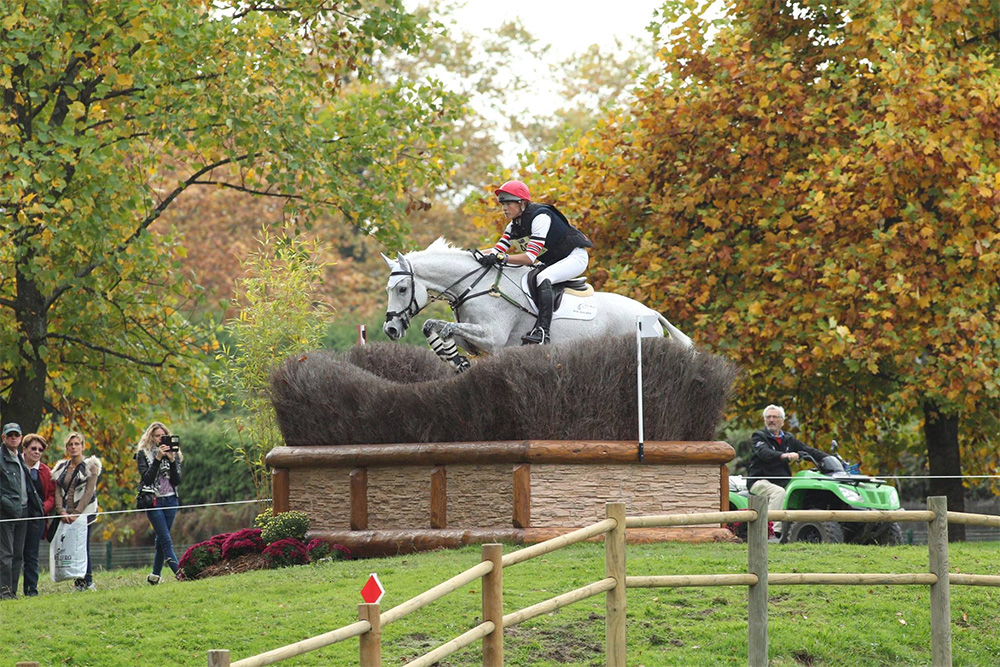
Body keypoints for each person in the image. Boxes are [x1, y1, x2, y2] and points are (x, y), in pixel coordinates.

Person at [478, 179, 593, 345]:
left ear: (522, 203)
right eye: (502, 204)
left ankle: (543, 331)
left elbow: (529, 258)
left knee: (543, 278)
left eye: (508, 204)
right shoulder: (513, 226)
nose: (504, 208)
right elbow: (497, 250)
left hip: (574, 257)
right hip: (553, 261)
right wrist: (473, 254)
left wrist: (502, 258)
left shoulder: (540, 216)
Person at [746, 405, 829, 512]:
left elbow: (808, 450)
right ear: (764, 420)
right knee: (778, 493)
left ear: (782, 421)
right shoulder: (759, 436)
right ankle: (773, 528)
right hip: (760, 481)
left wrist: (828, 458)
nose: (771, 420)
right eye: (768, 417)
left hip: (783, 482)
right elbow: (765, 453)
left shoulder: (788, 438)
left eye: (775, 417)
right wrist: (784, 455)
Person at [52, 431, 102, 592]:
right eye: (70, 445)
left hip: (84, 512)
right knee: (71, 546)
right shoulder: (61, 467)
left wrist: (77, 512)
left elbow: (89, 491)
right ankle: (78, 582)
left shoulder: (91, 465)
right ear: (66, 448)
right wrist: (61, 511)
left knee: (83, 546)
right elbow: (58, 491)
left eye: (76, 444)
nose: (73, 447)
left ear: (82, 446)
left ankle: (87, 581)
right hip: (67, 512)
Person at [135, 421, 183, 584]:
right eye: (157, 436)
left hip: (171, 499)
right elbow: (147, 478)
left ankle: (155, 576)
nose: (160, 439)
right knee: (166, 540)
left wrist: (170, 460)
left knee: (161, 540)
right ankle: (181, 574)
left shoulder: (174, 453)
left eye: (163, 436)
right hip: (153, 500)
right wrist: (157, 459)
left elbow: (177, 481)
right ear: (151, 437)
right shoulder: (143, 454)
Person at [1, 422, 42, 600]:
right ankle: (3, 591)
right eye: (9, 435)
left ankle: (12, 591)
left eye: (16, 435)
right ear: (3, 437)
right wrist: (6, 503)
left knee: (18, 554)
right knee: (5, 554)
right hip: (5, 513)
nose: (13, 438)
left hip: (23, 512)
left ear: (20, 437)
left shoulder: (20, 458)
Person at [20, 433, 55, 597]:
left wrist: (43, 508)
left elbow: (52, 495)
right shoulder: (15, 466)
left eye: (40, 450)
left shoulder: (45, 471)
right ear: (25, 449)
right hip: (16, 516)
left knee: (31, 556)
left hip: (36, 518)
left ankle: (31, 590)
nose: (36, 452)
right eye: (33, 448)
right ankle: (7, 590)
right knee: (11, 554)